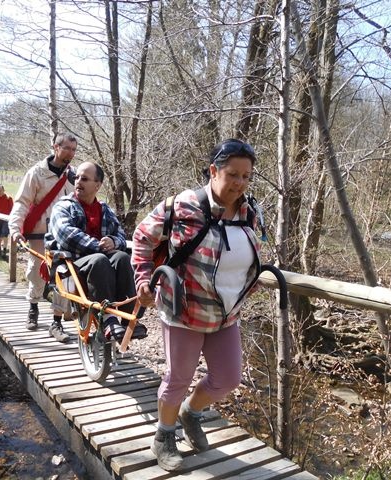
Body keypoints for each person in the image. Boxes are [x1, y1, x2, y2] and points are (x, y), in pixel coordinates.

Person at [131, 139, 262, 471]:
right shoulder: (183, 205)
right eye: (233, 174)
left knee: (229, 378)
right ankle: (163, 436)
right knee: (178, 377)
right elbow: (143, 238)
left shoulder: (250, 212)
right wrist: (143, 279)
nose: (240, 183)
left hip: (227, 314)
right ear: (214, 170)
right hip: (184, 310)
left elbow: (251, 252)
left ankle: (191, 413)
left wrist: (252, 278)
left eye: (246, 177)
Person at [47, 161, 146, 342]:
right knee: (100, 259)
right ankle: (107, 319)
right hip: (73, 263)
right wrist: (99, 245)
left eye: (84, 179)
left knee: (123, 258)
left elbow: (121, 236)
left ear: (98, 185)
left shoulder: (105, 209)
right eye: (77, 178)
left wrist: (113, 241)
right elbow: (66, 236)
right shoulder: (63, 206)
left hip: (99, 262)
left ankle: (128, 318)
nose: (78, 182)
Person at [9, 132, 77, 338]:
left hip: (64, 236)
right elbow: (21, 202)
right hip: (39, 233)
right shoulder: (36, 173)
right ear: (56, 147)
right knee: (36, 272)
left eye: (74, 149)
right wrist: (14, 228)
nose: (71, 153)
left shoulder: (75, 175)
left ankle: (56, 322)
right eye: (67, 148)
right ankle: (33, 306)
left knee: (65, 275)